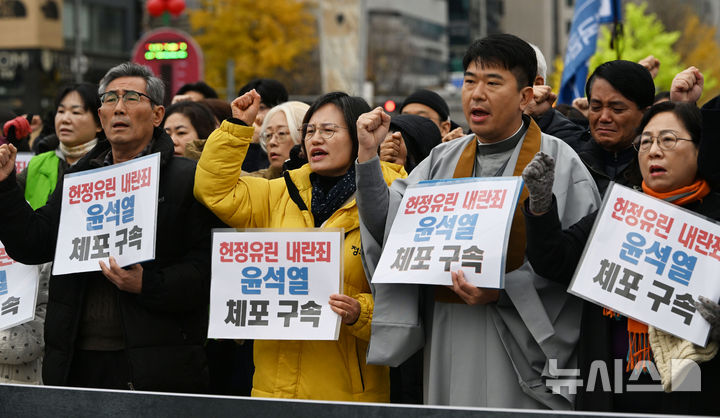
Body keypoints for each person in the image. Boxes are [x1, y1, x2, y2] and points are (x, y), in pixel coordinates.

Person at [354, 33, 600, 409]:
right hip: (451, 328)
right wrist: (368, 158)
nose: (477, 94)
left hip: (523, 343)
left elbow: (580, 269)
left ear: (526, 96)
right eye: (470, 81)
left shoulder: (561, 162)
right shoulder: (441, 159)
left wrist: (504, 292)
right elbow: (388, 230)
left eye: (493, 82)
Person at [0, 62, 217, 392]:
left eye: (132, 97)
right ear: (100, 115)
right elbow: (33, 243)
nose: (119, 107)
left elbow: (205, 271)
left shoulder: (186, 179)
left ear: (158, 114)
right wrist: (5, 187)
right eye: (109, 98)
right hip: (77, 360)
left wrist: (148, 284)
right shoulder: (78, 181)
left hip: (156, 364)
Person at [194, 90, 403, 401]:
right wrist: (236, 127)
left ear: (361, 135)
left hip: (348, 394)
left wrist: (361, 313)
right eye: (309, 131)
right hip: (273, 390)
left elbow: (406, 303)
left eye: (329, 130)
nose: (315, 139)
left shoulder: (391, 198)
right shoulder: (280, 193)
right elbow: (215, 191)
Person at [523, 101, 720, 415]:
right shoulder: (619, 211)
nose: (653, 151)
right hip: (611, 386)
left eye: (668, 140)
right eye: (645, 142)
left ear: (700, 148)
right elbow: (554, 261)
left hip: (697, 392)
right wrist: (541, 205)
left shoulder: (715, 218)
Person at [19, 83, 103, 208]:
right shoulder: (38, 163)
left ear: (99, 124)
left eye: (76, 112)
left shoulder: (107, 164)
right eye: (61, 111)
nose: (65, 119)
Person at [236, 78, 288, 173]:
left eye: (262, 107)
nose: (255, 116)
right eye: (248, 108)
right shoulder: (235, 140)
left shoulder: (289, 138)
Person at [251, 100, 309, 179]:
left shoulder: (320, 185)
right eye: (268, 135)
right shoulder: (256, 183)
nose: (272, 142)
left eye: (281, 133)